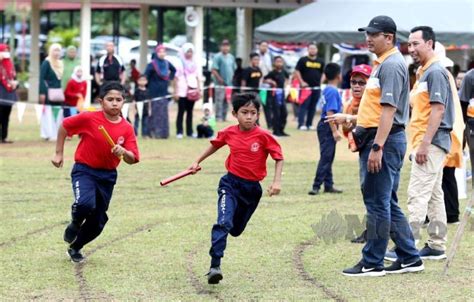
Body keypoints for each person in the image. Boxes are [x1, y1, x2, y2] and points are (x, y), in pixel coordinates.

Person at [343, 16, 423, 276]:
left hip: (384, 140)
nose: (368, 38)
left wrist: (377, 147)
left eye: (373, 34)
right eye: (367, 33)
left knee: (377, 203)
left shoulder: (390, 65)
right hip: (382, 138)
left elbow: (388, 110)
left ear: (388, 37)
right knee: (386, 200)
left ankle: (372, 261)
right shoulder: (383, 63)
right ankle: (410, 257)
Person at [188, 92, 284, 284]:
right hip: (230, 184)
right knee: (223, 222)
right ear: (235, 113)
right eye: (244, 112)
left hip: (252, 190)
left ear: (258, 114)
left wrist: (276, 182)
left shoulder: (264, 136)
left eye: (253, 113)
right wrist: (197, 161)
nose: (249, 116)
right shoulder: (229, 132)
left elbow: (279, 157)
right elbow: (215, 145)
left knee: (236, 229)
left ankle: (229, 235)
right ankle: (215, 266)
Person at [51, 82, 140, 263]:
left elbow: (133, 158)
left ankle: (76, 247)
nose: (114, 103)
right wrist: (59, 153)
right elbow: (64, 126)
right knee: (85, 204)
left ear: (123, 102)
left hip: (107, 176)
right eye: (110, 99)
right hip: (84, 171)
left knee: (99, 220)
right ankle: (75, 222)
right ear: (101, 101)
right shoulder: (89, 118)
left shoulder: (127, 128)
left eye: (118, 100)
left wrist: (123, 152)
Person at [326, 64, 372, 243]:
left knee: (376, 192)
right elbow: (348, 132)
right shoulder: (349, 105)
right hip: (363, 150)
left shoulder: (373, 102)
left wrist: (349, 120)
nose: (357, 86)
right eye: (354, 82)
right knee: (367, 189)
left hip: (377, 151)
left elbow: (374, 120)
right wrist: (348, 124)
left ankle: (376, 231)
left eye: (362, 82)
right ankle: (374, 229)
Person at [308, 63, 343, 195]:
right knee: (326, 157)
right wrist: (335, 131)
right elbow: (330, 113)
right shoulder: (333, 91)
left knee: (328, 156)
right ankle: (316, 186)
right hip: (328, 126)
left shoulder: (327, 89)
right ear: (338, 76)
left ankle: (329, 185)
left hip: (324, 125)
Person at [145, 44, 176, 139]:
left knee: (163, 113)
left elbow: (174, 70)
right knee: (154, 113)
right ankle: (153, 133)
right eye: (160, 52)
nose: (162, 53)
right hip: (154, 92)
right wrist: (148, 87)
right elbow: (146, 76)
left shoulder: (167, 63)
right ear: (156, 53)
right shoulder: (152, 64)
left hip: (163, 92)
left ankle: (163, 133)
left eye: (163, 51)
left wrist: (170, 79)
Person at [294, 43, 325, 130]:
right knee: (304, 105)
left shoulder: (320, 61)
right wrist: (302, 82)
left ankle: (309, 124)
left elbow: (324, 73)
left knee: (313, 106)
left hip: (316, 88)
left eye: (314, 49)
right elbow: (297, 71)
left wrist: (320, 82)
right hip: (305, 88)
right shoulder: (303, 60)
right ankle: (301, 124)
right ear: (308, 50)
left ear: (317, 50)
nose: (312, 50)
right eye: (311, 49)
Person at [175, 42, 201, 139]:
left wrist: (198, 89)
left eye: (191, 51)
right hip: (182, 91)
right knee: (181, 111)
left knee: (190, 112)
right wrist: (176, 92)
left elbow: (197, 77)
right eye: (187, 51)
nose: (189, 53)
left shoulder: (194, 63)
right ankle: (179, 132)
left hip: (192, 90)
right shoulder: (179, 63)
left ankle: (189, 132)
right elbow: (176, 78)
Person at [40, 43, 64, 141]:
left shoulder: (60, 63)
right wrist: (42, 92)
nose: (56, 53)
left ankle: (57, 133)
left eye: (58, 50)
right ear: (51, 51)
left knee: (58, 112)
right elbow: (42, 78)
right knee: (48, 113)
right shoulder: (46, 62)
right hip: (48, 92)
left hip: (58, 92)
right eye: (55, 50)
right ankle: (48, 134)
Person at [264, 56, 290, 137]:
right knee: (276, 113)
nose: (279, 63)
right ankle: (276, 131)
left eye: (280, 61)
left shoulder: (284, 72)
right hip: (274, 95)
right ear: (274, 63)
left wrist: (286, 85)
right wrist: (271, 81)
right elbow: (264, 79)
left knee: (284, 113)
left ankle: (281, 130)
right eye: (277, 61)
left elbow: (288, 79)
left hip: (282, 95)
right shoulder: (272, 73)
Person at [212, 39, 236, 122]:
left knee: (227, 100)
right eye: (224, 46)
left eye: (227, 46)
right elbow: (214, 70)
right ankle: (218, 117)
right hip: (220, 84)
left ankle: (224, 116)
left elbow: (234, 69)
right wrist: (219, 79)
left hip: (229, 84)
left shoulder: (231, 57)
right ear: (221, 47)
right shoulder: (217, 56)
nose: (225, 47)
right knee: (219, 100)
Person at [0, 44, 18, 143]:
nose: (6, 52)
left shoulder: (10, 64)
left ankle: (4, 136)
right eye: (4, 50)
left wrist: (14, 82)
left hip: (9, 91)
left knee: (6, 116)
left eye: (7, 50)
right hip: (1, 91)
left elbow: (13, 76)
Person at [241, 53, 265, 126]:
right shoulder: (247, 70)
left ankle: (256, 122)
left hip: (257, 92)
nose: (257, 61)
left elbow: (261, 78)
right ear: (251, 60)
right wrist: (243, 93)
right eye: (255, 59)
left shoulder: (258, 69)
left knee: (257, 108)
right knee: (249, 109)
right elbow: (243, 81)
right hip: (249, 92)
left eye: (258, 60)